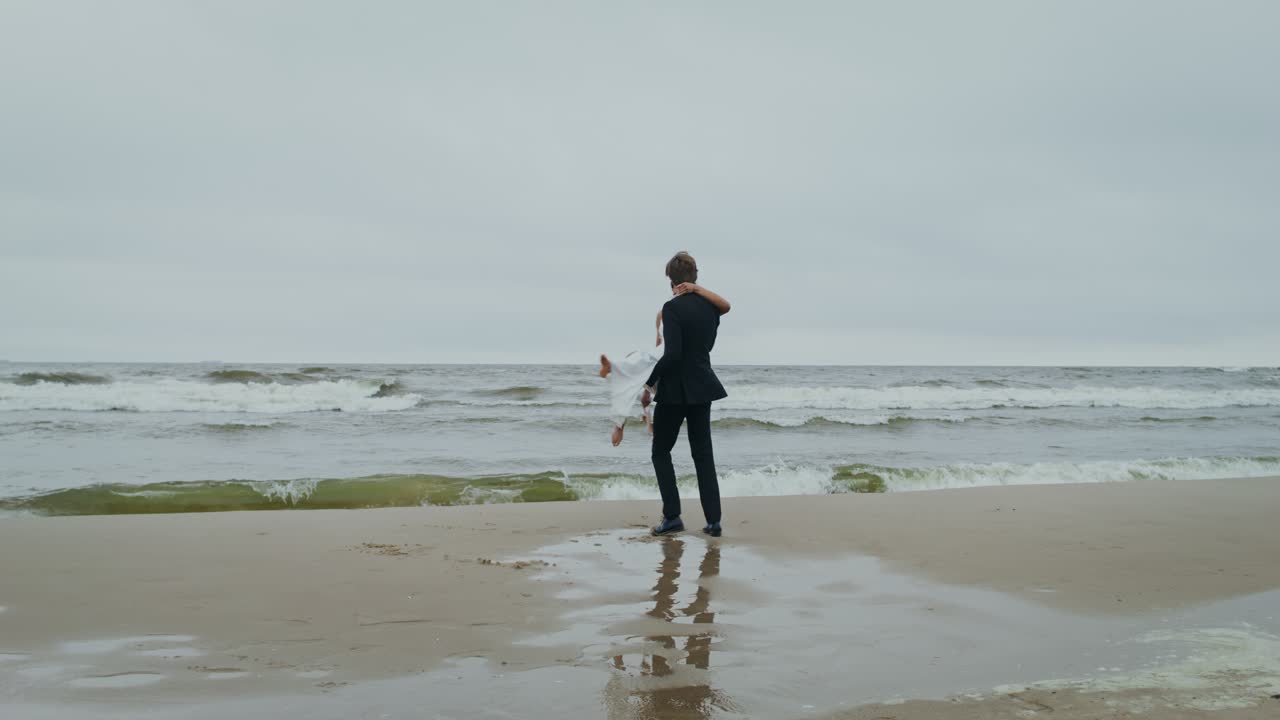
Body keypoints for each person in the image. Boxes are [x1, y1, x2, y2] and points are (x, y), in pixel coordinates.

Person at [641, 252, 729, 538]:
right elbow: (709, 340)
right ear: (695, 277)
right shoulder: (711, 308)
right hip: (703, 386)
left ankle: (673, 516)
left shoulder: (671, 308)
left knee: (660, 451)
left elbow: (673, 355)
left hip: (675, 391)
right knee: (703, 455)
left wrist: (649, 384)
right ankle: (713, 522)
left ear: (671, 280)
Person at [599, 284, 731, 447]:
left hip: (675, 357)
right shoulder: (664, 312)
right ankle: (619, 423)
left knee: (636, 364)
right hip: (663, 354)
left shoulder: (694, 309)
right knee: (637, 360)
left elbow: (725, 306)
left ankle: (616, 369)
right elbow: (657, 347)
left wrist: (696, 289)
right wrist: (648, 388)